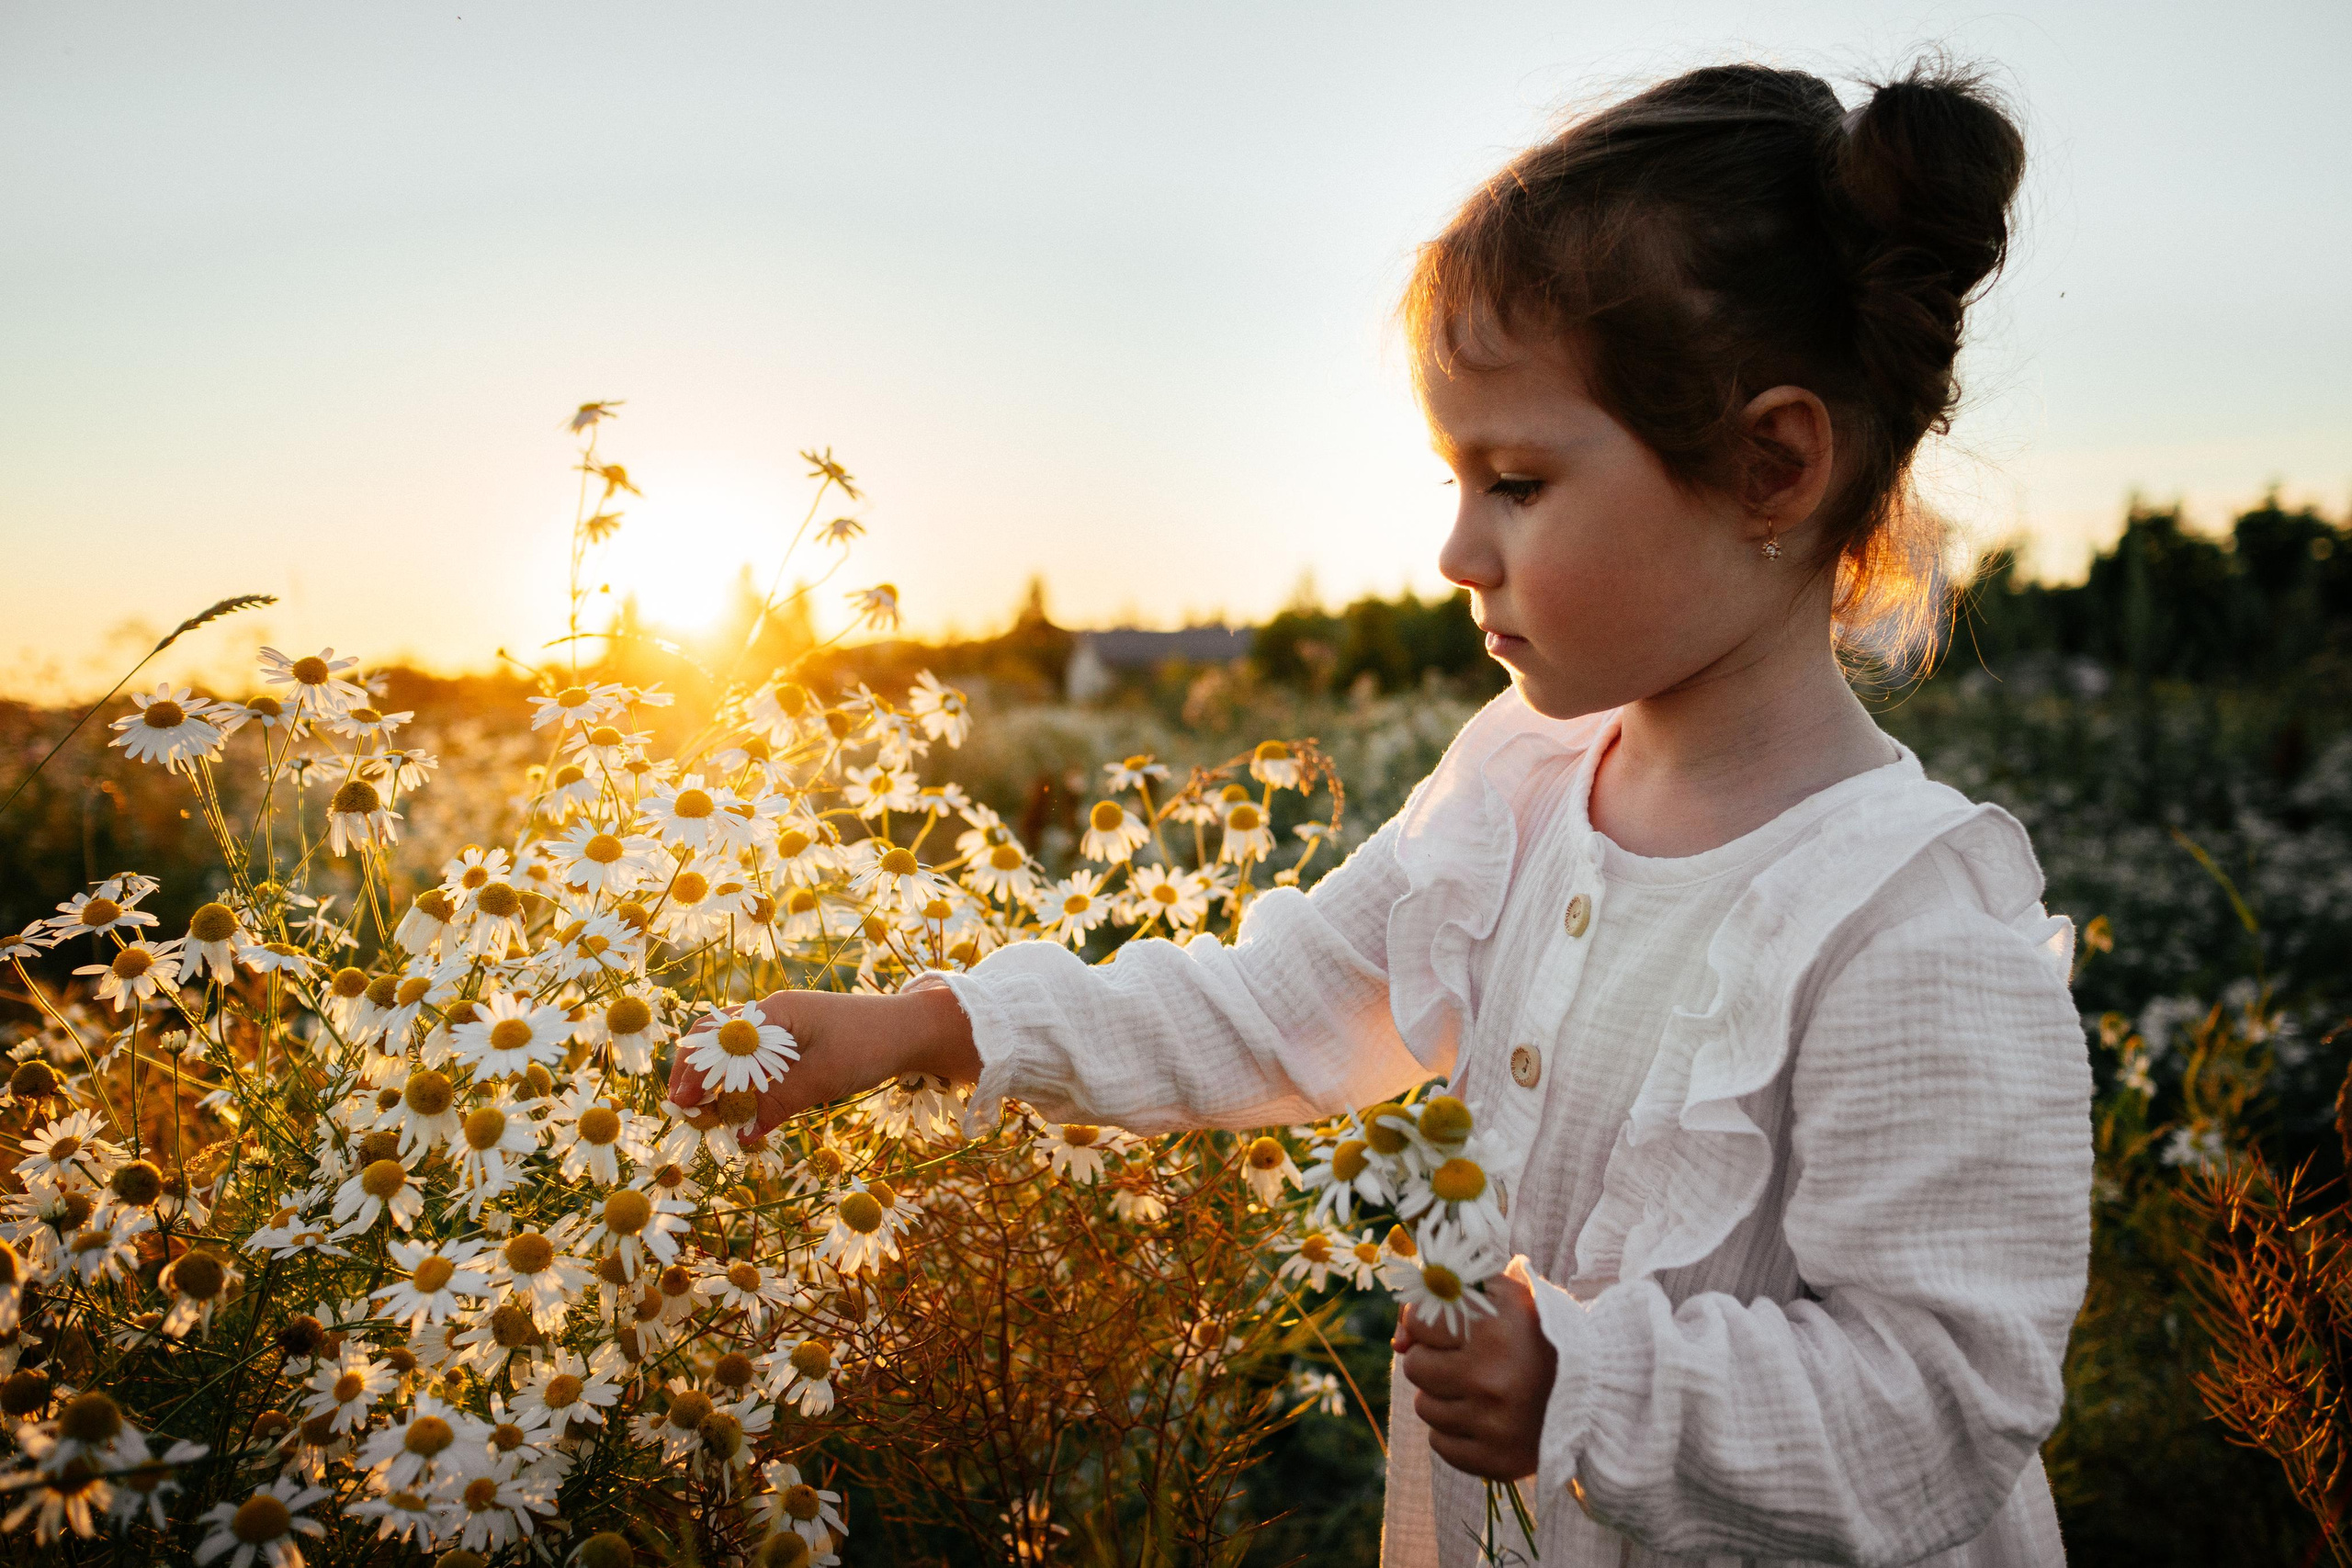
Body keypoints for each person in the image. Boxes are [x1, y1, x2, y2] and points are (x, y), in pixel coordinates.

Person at [673, 55, 2094, 1568]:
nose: (1455, 552)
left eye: (1520, 481)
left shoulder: (1904, 920)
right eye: (1452, 479)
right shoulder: (1524, 783)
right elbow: (1276, 1004)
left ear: (1774, 464)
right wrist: (938, 1026)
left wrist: (1583, 1381)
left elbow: (1950, 1398)